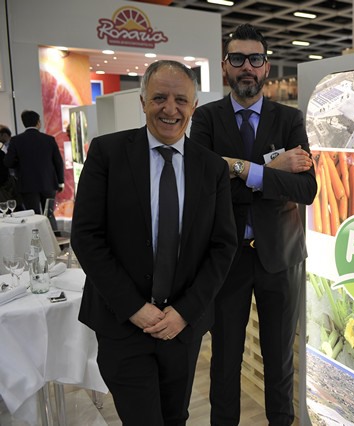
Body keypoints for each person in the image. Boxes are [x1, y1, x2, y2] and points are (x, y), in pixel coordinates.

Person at [71, 60, 237, 425]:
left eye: (181, 100)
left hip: (181, 328)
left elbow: (223, 247)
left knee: (176, 416)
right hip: (122, 323)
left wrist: (185, 312)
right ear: (143, 101)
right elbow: (86, 236)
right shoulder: (107, 153)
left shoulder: (212, 167)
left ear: (194, 106)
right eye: (160, 97)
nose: (170, 109)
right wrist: (134, 307)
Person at [190, 24, 317, 426]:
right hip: (225, 259)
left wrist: (237, 170)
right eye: (238, 58)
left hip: (280, 256)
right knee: (225, 360)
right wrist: (270, 169)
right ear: (225, 66)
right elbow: (201, 187)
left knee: (279, 361)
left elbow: (307, 189)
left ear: (266, 66)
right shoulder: (206, 119)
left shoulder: (290, 119)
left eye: (255, 58)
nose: (247, 66)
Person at [3, 110, 64, 213]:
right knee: (49, 213)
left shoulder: (16, 140)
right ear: (38, 122)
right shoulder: (49, 139)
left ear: (24, 123)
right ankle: (50, 224)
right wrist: (60, 182)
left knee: (33, 214)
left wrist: (19, 165)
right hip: (48, 182)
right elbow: (58, 161)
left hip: (27, 184)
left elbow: (8, 162)